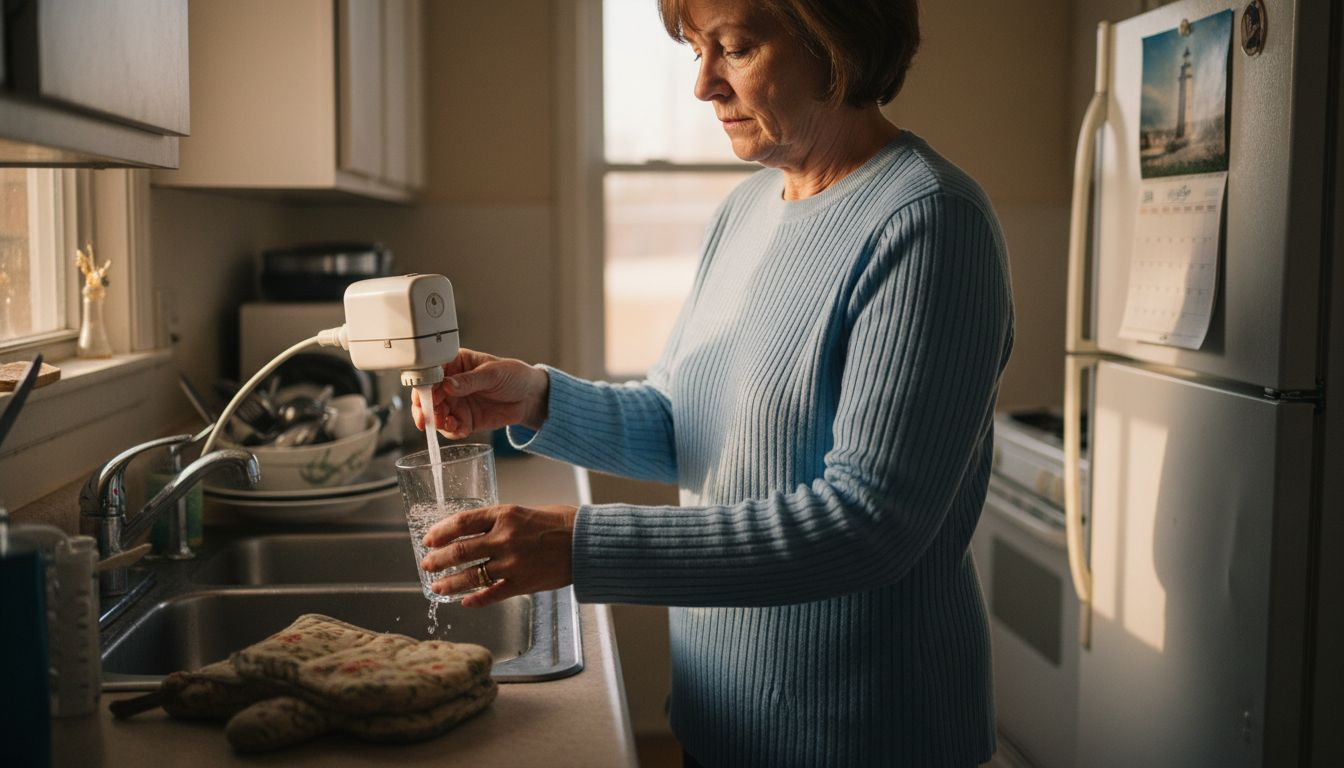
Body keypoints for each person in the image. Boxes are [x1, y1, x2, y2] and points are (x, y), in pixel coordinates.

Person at [412, 0, 1013, 764]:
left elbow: (870, 526)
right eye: (696, 49)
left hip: (864, 736)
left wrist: (580, 544)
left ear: (838, 44)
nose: (704, 85)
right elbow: (686, 425)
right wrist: (534, 397)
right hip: (718, 717)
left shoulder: (929, 222)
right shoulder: (745, 209)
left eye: (734, 48)